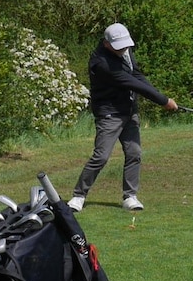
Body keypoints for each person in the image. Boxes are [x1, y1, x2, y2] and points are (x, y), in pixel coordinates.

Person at [72, 22, 178, 212]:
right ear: (106, 44)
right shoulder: (102, 63)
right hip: (109, 113)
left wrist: (161, 96)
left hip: (129, 110)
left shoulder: (125, 50)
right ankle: (79, 196)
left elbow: (137, 75)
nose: (124, 50)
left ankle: (130, 196)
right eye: (119, 47)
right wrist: (163, 101)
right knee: (101, 156)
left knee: (134, 153)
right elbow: (132, 83)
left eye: (126, 46)